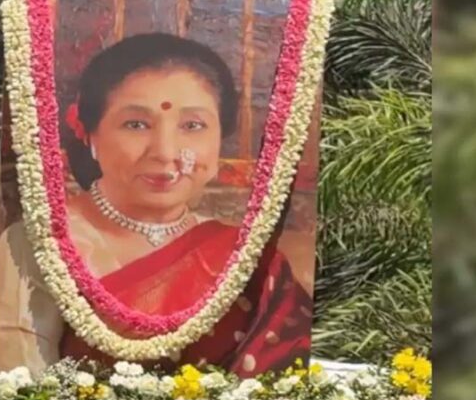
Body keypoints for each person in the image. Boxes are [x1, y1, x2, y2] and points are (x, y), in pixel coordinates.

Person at [59, 33, 312, 377]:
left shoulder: (248, 258)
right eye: (136, 124)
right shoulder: (46, 243)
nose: (166, 153)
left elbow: (282, 387)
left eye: (193, 125)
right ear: (90, 134)